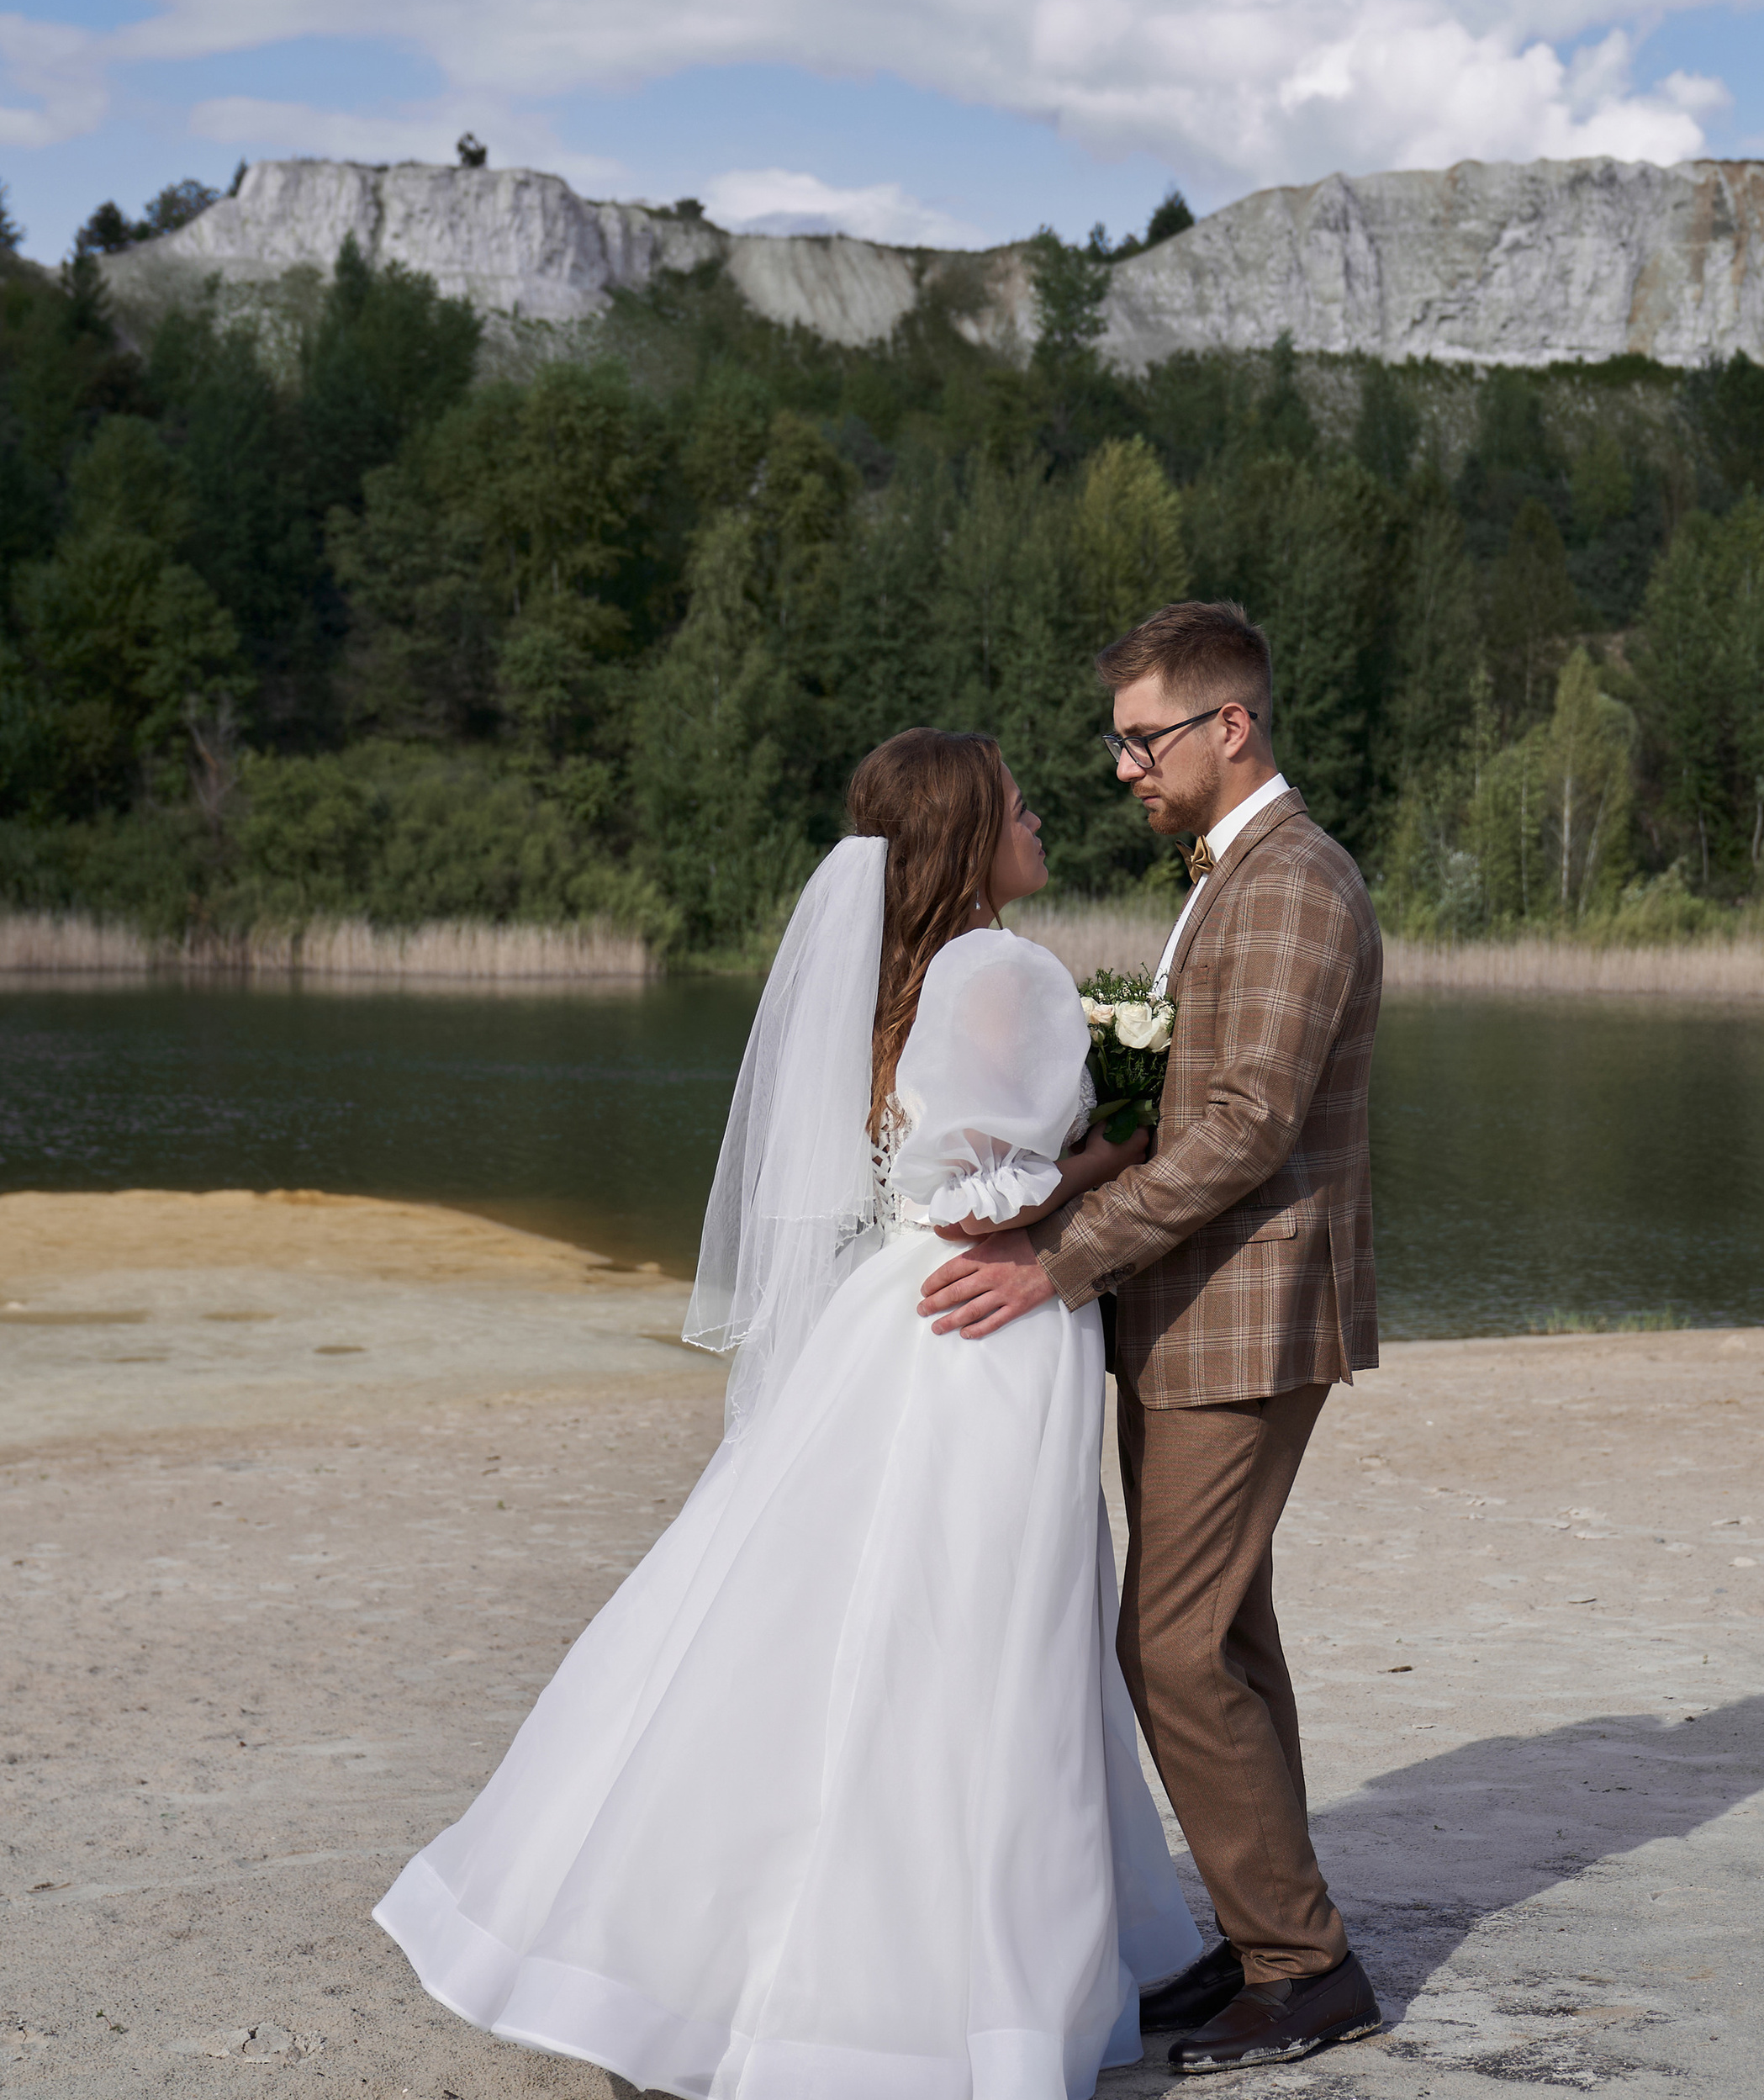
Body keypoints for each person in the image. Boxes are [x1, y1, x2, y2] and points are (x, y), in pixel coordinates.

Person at [373, 727, 1200, 2100]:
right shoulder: (999, 969)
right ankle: (953, 1995)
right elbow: (978, 1196)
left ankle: (703, 1944)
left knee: (825, 1614)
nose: (1040, 815)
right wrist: (1133, 1128)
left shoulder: (894, 974)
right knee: (980, 1637)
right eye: (1015, 804)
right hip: (979, 1332)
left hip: (893, 1317)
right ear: (964, 835)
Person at [920, 601, 1385, 2075]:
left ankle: (1305, 1969)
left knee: (1170, 1648)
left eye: (1142, 737)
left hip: (1248, 1317)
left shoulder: (1295, 882)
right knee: (1226, 1636)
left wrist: (1057, 1259)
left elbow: (1247, 1130)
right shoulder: (1227, 877)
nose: (1122, 765)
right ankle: (1269, 1947)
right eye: (1118, 740)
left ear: (1227, 727)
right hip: (1193, 1311)